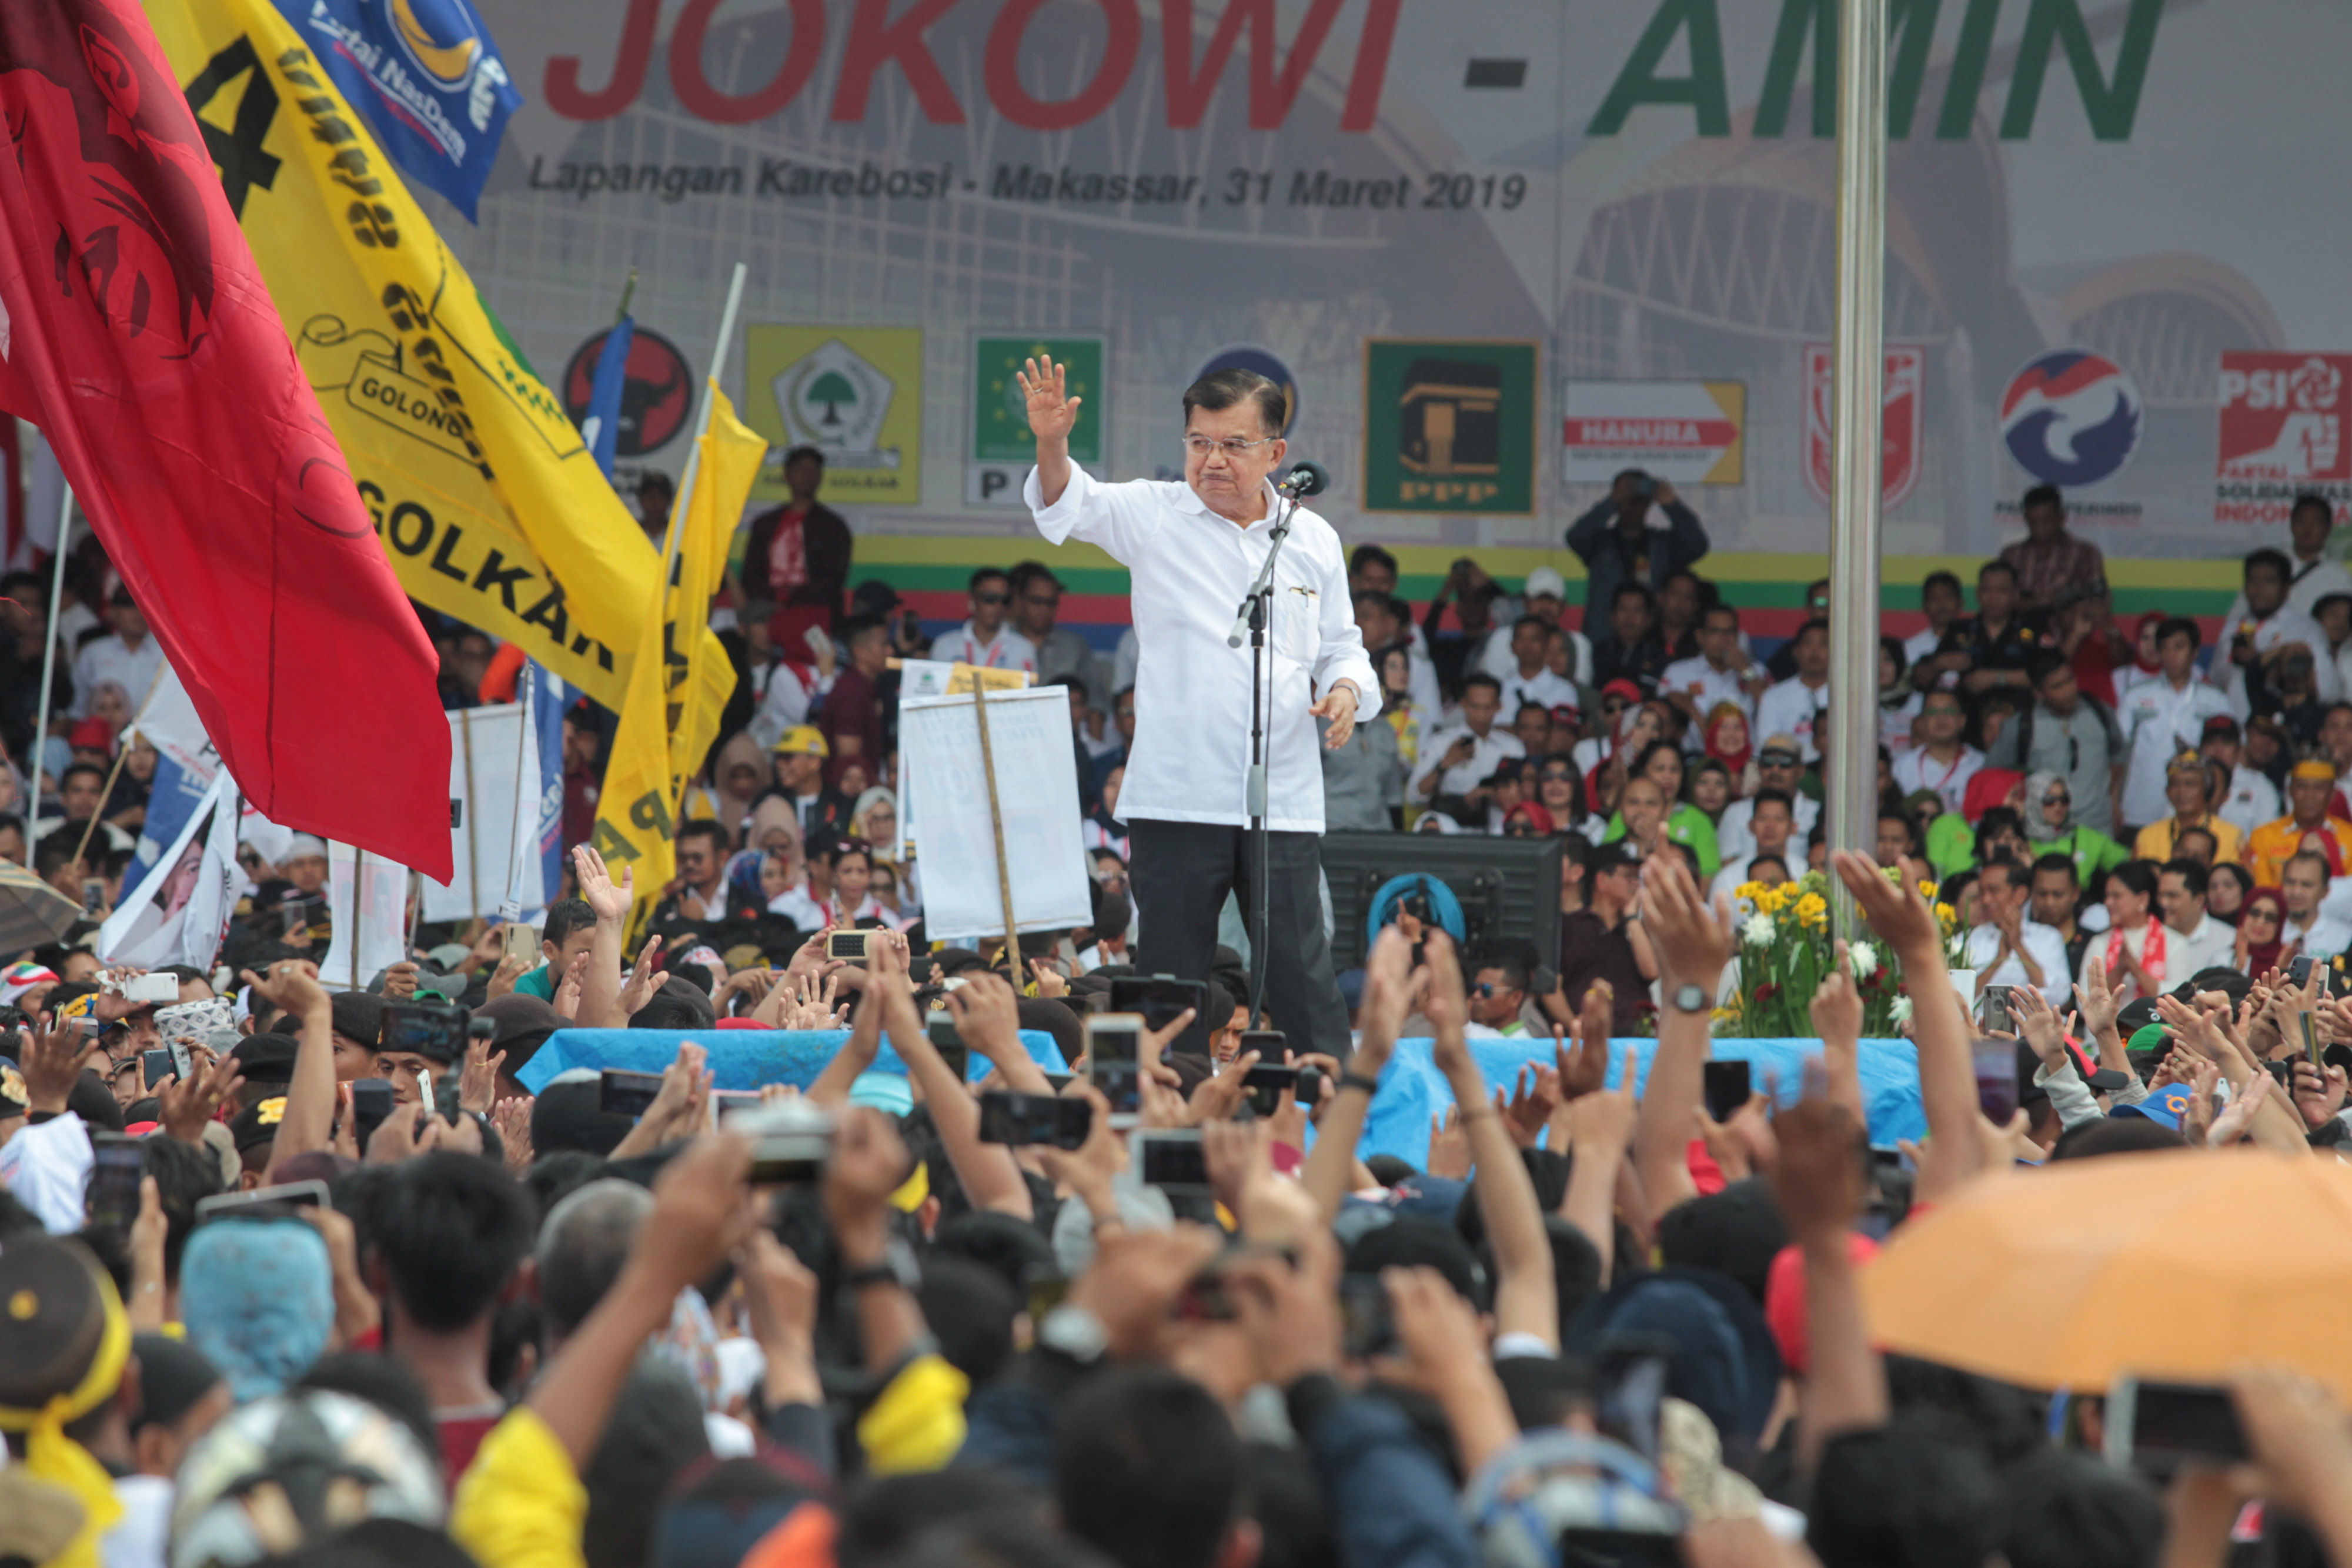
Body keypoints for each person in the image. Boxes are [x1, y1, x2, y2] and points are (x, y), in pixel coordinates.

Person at [1023, 357, 1371, 1060]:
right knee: (1168, 987)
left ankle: (1335, 1126)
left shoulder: (1313, 540)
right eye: (1198, 442)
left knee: (1303, 978)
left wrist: (1346, 692)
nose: (1212, 461)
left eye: (1233, 445)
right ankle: (1153, 1130)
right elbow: (1067, 503)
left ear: (1275, 453)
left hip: (1281, 801)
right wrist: (1051, 444)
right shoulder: (1155, 514)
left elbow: (1343, 646)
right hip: (1177, 798)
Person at [2115, 617, 2232, 834]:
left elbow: (2228, 757)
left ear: (2195, 652)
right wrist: (2113, 803)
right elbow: (2116, 756)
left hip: (2195, 809)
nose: (2172, 656)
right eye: (2165, 649)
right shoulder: (2136, 696)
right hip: (2138, 809)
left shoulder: (2216, 700)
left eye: (2179, 647)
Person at [1987, 654, 2125, 837]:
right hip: (2044, 835)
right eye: (2057, 687)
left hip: (2097, 828)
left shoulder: (2099, 711)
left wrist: (2113, 800)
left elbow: (2118, 755)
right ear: (2039, 693)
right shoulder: (2021, 726)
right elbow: (1993, 776)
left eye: (2070, 680)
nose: (2069, 690)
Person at [738, 444, 853, 649]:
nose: (808, 476)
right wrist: (772, 603)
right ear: (786, 475)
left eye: (814, 470)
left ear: (821, 478)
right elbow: (750, 574)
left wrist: (790, 602)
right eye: (801, 468)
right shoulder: (765, 524)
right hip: (766, 615)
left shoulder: (833, 526)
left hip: (813, 615)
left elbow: (832, 579)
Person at [1563, 467, 1710, 621]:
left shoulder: (1662, 545)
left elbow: (1697, 546)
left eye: (1638, 501)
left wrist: (1673, 506)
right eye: (1626, 501)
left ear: (1648, 503)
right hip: (1603, 636)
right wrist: (1611, 503)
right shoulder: (1599, 543)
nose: (1632, 507)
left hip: (1651, 636)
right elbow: (1575, 537)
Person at [2223, 548, 2341, 721]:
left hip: (2281, 732)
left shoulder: (2306, 630)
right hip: (2236, 731)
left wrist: (2264, 664)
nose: (2259, 588)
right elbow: (2217, 679)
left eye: (2268, 581)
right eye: (2253, 580)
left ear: (2286, 588)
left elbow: (2330, 691)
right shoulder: (2234, 624)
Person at [1556, 841, 1655, 1034]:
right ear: (1601, 880)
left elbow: (1651, 972)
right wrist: (1573, 1025)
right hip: (1586, 1035)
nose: (1636, 884)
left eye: (1638, 877)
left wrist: (1631, 917)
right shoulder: (1569, 926)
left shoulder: (1639, 926)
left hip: (1636, 1035)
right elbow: (1552, 988)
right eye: (1628, 876)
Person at [2219, 492, 2352, 631]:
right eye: (2301, 521)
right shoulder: (2267, 565)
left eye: (2316, 522)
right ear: (2291, 524)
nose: (2308, 528)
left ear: (2328, 529)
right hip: (2266, 647)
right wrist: (2251, 646)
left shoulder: (2339, 577)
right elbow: (2244, 614)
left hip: (2312, 648)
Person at [1962, 856, 2072, 1009]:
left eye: (1994, 891)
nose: (1985, 900)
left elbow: (2060, 997)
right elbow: (1957, 998)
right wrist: (1998, 961)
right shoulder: (1968, 939)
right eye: (1982, 891)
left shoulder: (2049, 938)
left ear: (2020, 895)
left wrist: (2018, 946)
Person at [1411, 674, 1525, 807]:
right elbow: (1414, 796)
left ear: (1499, 706)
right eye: (1475, 707)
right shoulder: (1441, 742)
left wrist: (1491, 793)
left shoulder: (1513, 747)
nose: (1481, 715)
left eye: (1488, 707)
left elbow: (1526, 795)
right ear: (1463, 703)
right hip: (1453, 825)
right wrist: (1444, 764)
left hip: (1501, 825)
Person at [2247, 757, 2352, 886]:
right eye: (2302, 786)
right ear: (2290, 790)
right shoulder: (2263, 835)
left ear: (2332, 795)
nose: (2309, 795)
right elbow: (2262, 891)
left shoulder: (2349, 837)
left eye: (2319, 788)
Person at [1998, 484, 2106, 609]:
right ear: (2026, 519)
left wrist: (2058, 602)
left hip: (2067, 626)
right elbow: (2000, 599)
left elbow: (2098, 599)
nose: (2039, 529)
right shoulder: (2011, 555)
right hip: (2021, 627)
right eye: (2033, 522)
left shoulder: (2084, 553)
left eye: (2046, 522)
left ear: (2061, 518)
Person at [2021, 769, 2128, 894]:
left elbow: (2130, 863)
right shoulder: (2020, 839)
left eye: (2064, 799)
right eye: (2050, 800)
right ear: (2034, 802)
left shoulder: (2086, 837)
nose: (2058, 805)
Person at [1660, 603, 1764, 731]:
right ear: (1700, 637)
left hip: (1747, 750)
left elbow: (1773, 708)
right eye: (1715, 631)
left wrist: (1745, 670)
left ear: (1738, 635)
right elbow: (1658, 718)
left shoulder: (1756, 670)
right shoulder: (1677, 672)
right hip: (1693, 751)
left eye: (1730, 631)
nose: (1724, 639)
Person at [2132, 752, 2244, 867]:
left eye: (2190, 784)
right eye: (2175, 784)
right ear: (2167, 791)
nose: (2182, 791)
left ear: (2207, 790)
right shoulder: (2148, 836)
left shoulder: (2232, 836)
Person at [69, 587, 163, 720]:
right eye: (129, 607)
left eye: (144, 606)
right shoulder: (94, 652)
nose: (138, 613)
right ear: (112, 612)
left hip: (155, 737)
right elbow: (79, 707)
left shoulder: (168, 654)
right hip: (104, 737)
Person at [1717, 738, 1818, 861]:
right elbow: (1728, 863)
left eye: (1785, 763)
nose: (1775, 769)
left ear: (1801, 771)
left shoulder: (1816, 813)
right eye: (1768, 762)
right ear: (1759, 767)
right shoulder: (1735, 812)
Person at [2083, 860, 2166, 1002]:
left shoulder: (2174, 942)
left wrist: (2136, 970)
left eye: (2116, 896)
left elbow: (2179, 998)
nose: (2108, 903)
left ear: (2143, 899)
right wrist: (2119, 969)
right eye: (2107, 896)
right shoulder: (2100, 942)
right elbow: (2084, 1002)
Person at [1891, 691, 1983, 814]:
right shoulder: (1902, 766)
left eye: (1949, 711)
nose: (1941, 718)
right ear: (1922, 722)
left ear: (1962, 721)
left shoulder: (1981, 764)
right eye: (1932, 712)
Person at [2203, 715, 2281, 845]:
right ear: (2202, 749)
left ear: (2239, 749)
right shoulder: (2188, 784)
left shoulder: (2261, 787)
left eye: (2226, 743)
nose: (2218, 750)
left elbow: (2266, 842)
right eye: (2211, 743)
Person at [2154, 858, 2237, 978]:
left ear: (2199, 900)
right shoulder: (2150, 936)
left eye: (2172, 896)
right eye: (2160, 895)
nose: (2163, 903)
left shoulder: (2228, 940)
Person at [1711, 790, 1797, 901]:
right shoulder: (1727, 878)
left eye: (1779, 819)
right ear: (1751, 826)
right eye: (1763, 818)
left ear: (1793, 827)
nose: (1770, 826)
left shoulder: (1805, 871)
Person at [1588, 582, 1671, 697]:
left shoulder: (1660, 658)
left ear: (1649, 619)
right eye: (1623, 609)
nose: (1629, 617)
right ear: (1612, 616)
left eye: (1637, 610)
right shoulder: (1596, 654)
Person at [1495, 614, 1581, 721]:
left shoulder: (1564, 690)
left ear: (1546, 644)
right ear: (1512, 646)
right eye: (1521, 639)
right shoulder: (1498, 689)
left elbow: (1563, 733)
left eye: (1534, 639)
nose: (1528, 645)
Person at [2027, 852, 2093, 977]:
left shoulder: (2092, 944)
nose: (2049, 902)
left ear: (2076, 893)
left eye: (2058, 894)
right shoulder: (2020, 941)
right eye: (2042, 893)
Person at [2278, 850, 2352, 959]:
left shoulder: (2344, 938)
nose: (2296, 892)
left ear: (2325, 891)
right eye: (2290, 882)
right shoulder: (2267, 929)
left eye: (2307, 885)